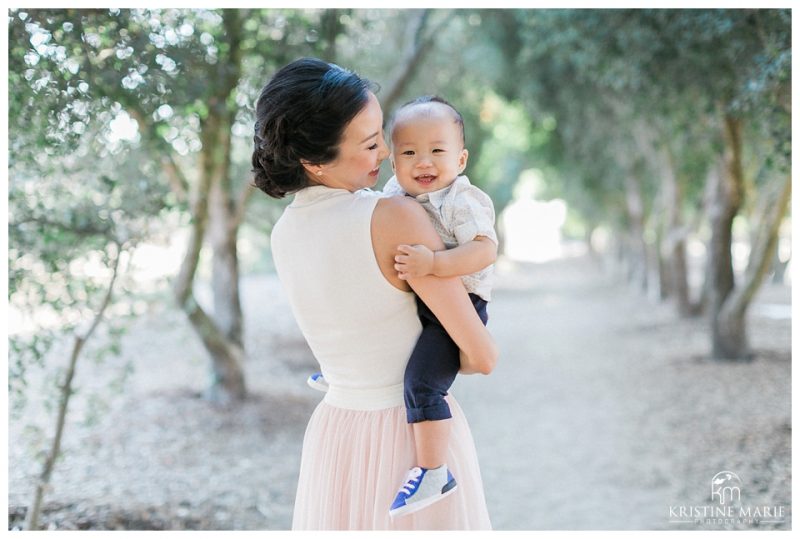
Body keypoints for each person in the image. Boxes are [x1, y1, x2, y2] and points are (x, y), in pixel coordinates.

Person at [251, 57, 497, 530]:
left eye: (381, 134)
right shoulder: (393, 217)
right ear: (314, 162)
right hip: (409, 437)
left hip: (335, 433)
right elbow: (481, 357)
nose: (386, 152)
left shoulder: (283, 234)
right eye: (369, 143)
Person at [307, 95, 497, 518]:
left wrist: (435, 263)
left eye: (437, 151)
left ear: (461, 159)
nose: (423, 162)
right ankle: (348, 372)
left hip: (461, 299)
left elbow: (484, 251)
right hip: (422, 297)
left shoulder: (462, 200)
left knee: (423, 382)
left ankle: (433, 469)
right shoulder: (393, 196)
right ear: (395, 163)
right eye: (409, 152)